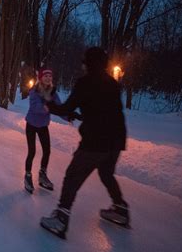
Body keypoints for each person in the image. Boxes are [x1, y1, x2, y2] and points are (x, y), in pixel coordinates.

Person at [40, 47, 129, 239]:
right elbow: (104, 109)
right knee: (106, 173)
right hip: (116, 139)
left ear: (88, 63)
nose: (82, 65)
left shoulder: (85, 82)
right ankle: (120, 209)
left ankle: (61, 218)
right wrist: (78, 113)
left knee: (73, 176)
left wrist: (48, 103)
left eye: (84, 62)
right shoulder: (112, 83)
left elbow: (67, 107)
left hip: (95, 140)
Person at [24, 68, 65, 194]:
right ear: (41, 78)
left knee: (47, 151)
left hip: (43, 126)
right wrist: (47, 107)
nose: (48, 78)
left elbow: (59, 108)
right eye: (45, 76)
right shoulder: (34, 91)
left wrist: (68, 116)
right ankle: (28, 176)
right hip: (31, 124)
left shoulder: (53, 93)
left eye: (50, 76)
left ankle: (42, 175)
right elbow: (35, 107)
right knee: (32, 151)